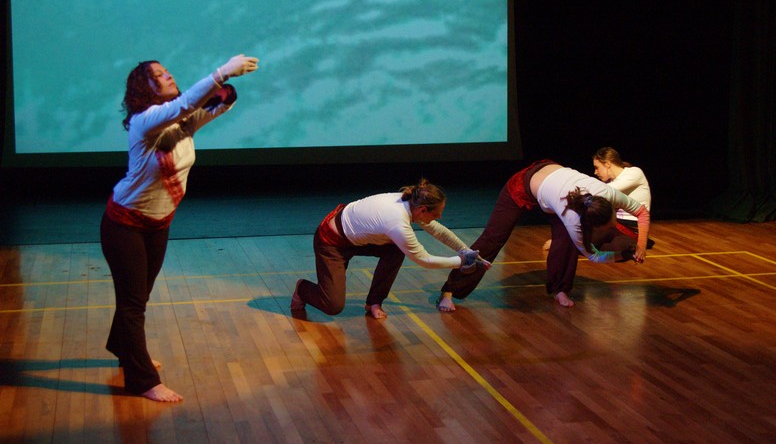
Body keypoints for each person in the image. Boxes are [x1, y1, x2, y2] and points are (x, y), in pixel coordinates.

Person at [100, 53, 259, 402]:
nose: (168, 75)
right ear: (145, 88)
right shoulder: (145, 122)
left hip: (158, 224)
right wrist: (221, 72)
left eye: (167, 71)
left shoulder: (181, 124)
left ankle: (122, 346)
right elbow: (186, 103)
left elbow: (215, 106)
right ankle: (141, 380)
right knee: (133, 302)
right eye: (159, 75)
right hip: (124, 225)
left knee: (138, 295)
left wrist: (227, 90)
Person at [437, 160, 650, 312]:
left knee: (565, 242)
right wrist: (621, 255)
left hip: (554, 185)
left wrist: (640, 245)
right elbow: (593, 255)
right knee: (492, 239)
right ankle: (449, 291)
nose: (613, 225)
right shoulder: (572, 218)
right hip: (523, 185)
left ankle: (560, 290)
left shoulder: (609, 195)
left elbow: (642, 212)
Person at [291, 179, 491, 319]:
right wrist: (461, 262)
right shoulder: (397, 222)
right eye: (437, 213)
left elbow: (438, 230)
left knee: (395, 250)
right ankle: (302, 289)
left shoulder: (411, 201)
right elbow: (424, 259)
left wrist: (466, 251)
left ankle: (374, 302)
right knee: (332, 305)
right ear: (423, 210)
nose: (439, 217)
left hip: (358, 237)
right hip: (332, 243)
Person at [592, 146, 652, 241]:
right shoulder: (609, 181)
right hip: (617, 223)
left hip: (632, 226)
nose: (595, 172)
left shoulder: (634, 173)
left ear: (607, 164)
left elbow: (603, 191)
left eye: (597, 168)